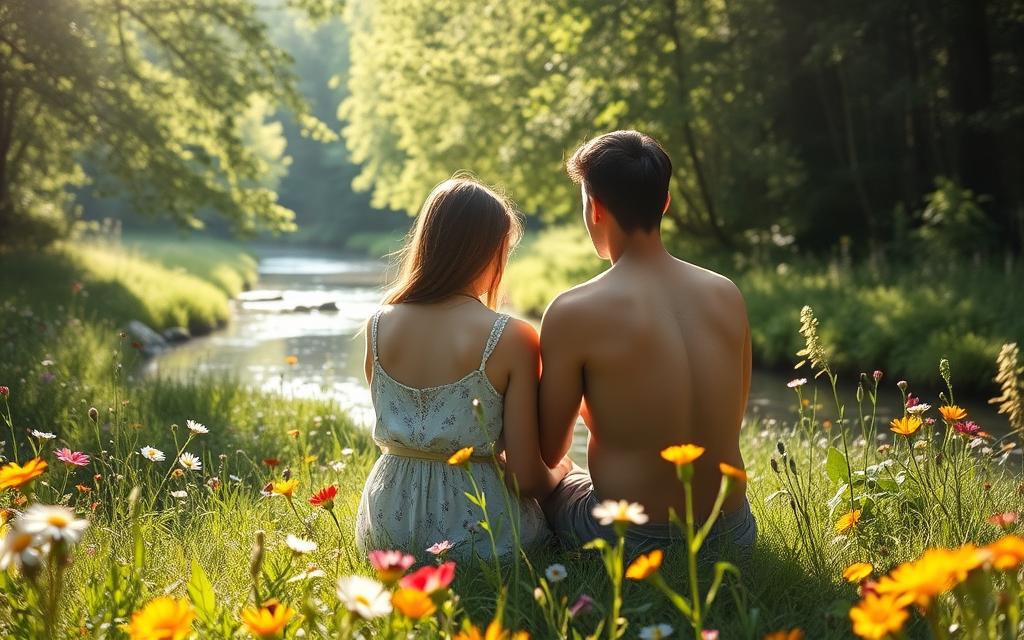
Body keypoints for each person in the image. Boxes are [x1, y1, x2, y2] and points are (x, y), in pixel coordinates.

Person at [538, 130, 756, 554]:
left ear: (595, 208)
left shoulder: (573, 311)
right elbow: (733, 418)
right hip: (733, 533)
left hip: (631, 538)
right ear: (665, 203)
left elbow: (548, 452)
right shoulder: (727, 293)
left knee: (556, 480)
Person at [355, 177, 566, 560]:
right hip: (475, 529)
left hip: (386, 527)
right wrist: (562, 473)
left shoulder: (378, 325)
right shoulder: (510, 336)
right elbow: (525, 478)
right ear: (489, 252)